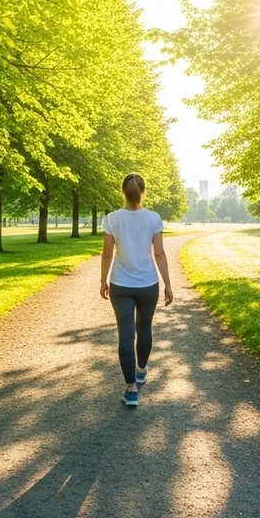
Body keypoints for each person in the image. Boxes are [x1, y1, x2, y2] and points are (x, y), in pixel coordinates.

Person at [99, 173, 173, 407]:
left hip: (121, 284)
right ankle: (141, 370)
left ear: (123, 191)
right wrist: (168, 283)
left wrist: (103, 280)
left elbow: (107, 253)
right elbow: (159, 253)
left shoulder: (112, 219)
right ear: (143, 192)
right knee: (145, 329)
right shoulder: (153, 218)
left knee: (125, 335)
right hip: (148, 284)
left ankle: (131, 390)